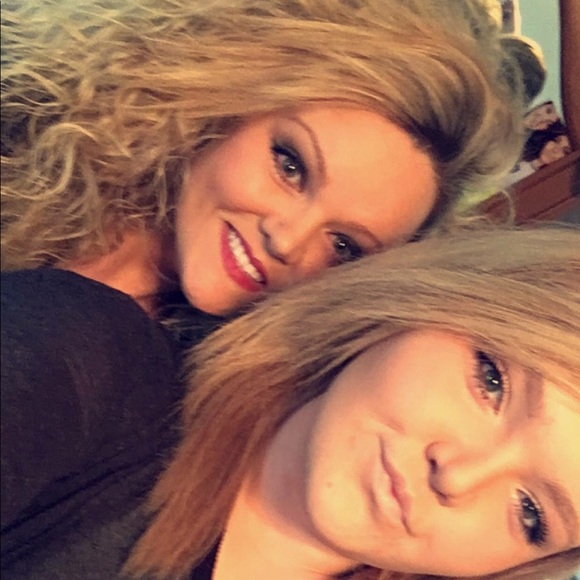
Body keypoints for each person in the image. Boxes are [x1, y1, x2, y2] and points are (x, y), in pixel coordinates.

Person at [1, 0, 527, 319]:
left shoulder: (195, 398)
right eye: (291, 167)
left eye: (343, 246)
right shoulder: (20, 131)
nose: (287, 241)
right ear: (229, 100)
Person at [125, 226, 580, 580]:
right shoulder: (106, 376)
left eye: (531, 515)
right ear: (436, 300)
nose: (457, 477)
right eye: (492, 381)